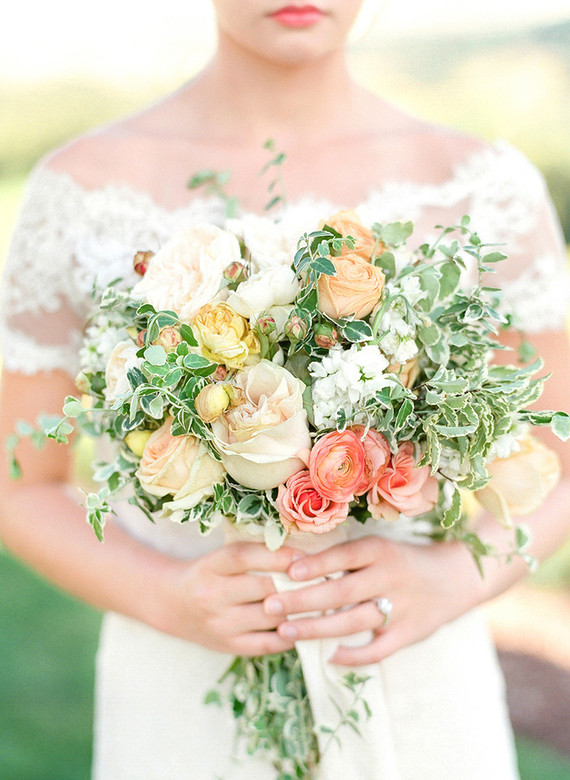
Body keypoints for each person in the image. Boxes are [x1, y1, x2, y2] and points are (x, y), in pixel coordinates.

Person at [1, 1, 569, 777]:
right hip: (181, 682)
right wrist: (167, 595)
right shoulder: (83, 189)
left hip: (411, 674)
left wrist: (453, 577)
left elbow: (557, 460)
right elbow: (17, 483)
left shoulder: (482, 184)